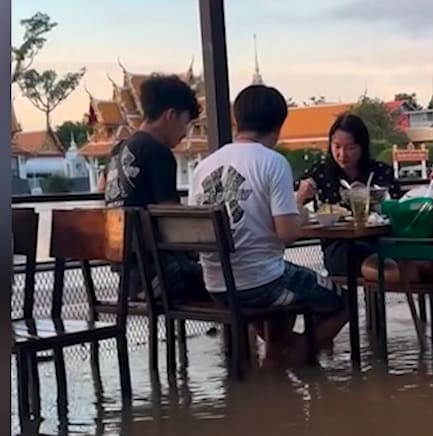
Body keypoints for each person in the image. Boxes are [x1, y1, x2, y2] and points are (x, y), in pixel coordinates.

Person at [188, 84, 347, 365]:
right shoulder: (273, 163)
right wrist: (301, 215)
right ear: (278, 125)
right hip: (262, 283)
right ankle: (284, 366)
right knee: (343, 304)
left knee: (282, 293)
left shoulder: (203, 166)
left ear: (238, 121)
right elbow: (287, 233)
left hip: (215, 285)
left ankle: (280, 355)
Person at [295, 113, 433, 284]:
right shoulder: (321, 172)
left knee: (415, 257)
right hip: (340, 246)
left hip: (381, 241)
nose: (342, 154)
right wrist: (301, 195)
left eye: (350, 148)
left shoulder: (380, 172)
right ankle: (412, 276)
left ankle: (418, 275)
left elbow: (398, 207)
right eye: (337, 147)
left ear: (363, 147)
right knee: (387, 267)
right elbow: (288, 206)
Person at [103, 74, 206, 301]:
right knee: (236, 281)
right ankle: (246, 337)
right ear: (170, 115)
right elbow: (172, 220)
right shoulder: (156, 151)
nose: (185, 133)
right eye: (185, 123)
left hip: (129, 278)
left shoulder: (118, 151)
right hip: (163, 277)